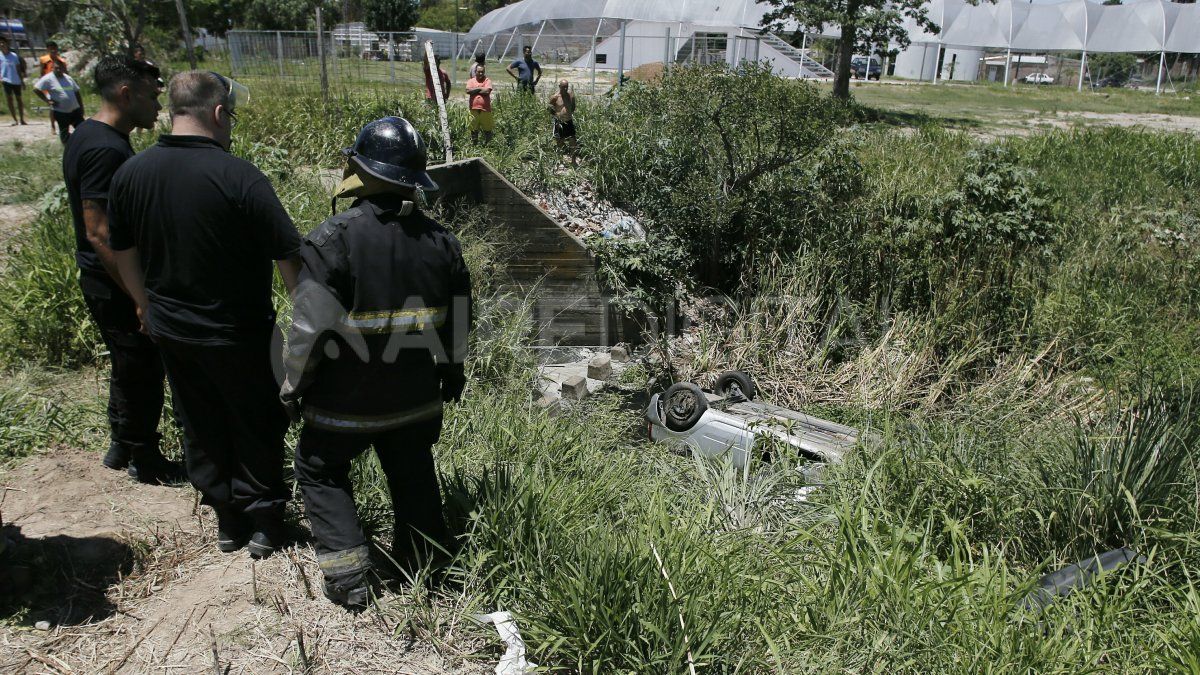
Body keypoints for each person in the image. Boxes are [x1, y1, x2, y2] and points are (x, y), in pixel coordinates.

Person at [108, 71, 303, 559]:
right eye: (230, 117)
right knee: (255, 419)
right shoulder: (239, 176)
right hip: (238, 333)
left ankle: (227, 519)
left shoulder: (131, 173)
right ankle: (264, 522)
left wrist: (143, 303)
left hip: (172, 330)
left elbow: (122, 250)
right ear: (218, 114)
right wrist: (307, 320)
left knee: (199, 421)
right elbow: (288, 256)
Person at [280, 117, 472, 609]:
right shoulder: (443, 243)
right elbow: (458, 326)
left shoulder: (332, 241)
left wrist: (293, 388)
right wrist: (451, 375)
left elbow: (309, 333)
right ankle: (426, 563)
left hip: (344, 405)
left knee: (319, 468)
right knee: (412, 468)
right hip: (416, 402)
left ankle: (350, 580)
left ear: (361, 171)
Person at [62, 54, 181, 483]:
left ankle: (121, 445)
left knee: (127, 361)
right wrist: (139, 296)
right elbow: (98, 230)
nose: (158, 106)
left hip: (103, 277)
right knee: (142, 366)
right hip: (111, 279)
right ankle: (144, 457)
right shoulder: (105, 148)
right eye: (151, 96)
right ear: (126, 94)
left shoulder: (89, 134)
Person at [34, 60, 84, 143]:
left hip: (75, 110)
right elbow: (36, 89)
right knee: (64, 133)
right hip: (61, 112)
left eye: (60, 68)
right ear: (52, 68)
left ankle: (81, 145)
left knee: (83, 130)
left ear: (64, 68)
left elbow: (76, 92)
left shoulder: (68, 78)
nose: (58, 70)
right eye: (56, 68)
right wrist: (47, 100)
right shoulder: (48, 78)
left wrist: (81, 107)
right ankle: (67, 147)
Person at [547, 78, 578, 166]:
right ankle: (560, 161)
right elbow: (549, 108)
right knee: (560, 141)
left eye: (566, 87)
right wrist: (557, 115)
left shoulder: (571, 96)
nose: (565, 89)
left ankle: (573, 161)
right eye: (563, 87)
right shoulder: (555, 97)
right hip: (559, 122)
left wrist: (567, 113)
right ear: (559, 86)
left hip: (569, 121)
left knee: (573, 140)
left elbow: (573, 107)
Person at [465, 63, 494, 145]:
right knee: (474, 131)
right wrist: (480, 88)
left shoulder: (487, 81)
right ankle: (474, 147)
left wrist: (475, 90)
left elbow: (487, 91)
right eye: (479, 72)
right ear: (475, 72)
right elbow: (468, 91)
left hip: (485, 110)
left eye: (482, 72)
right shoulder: (471, 81)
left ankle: (488, 147)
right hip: (473, 110)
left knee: (488, 131)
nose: (481, 73)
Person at [1, 36, 26, 126]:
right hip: (5, 80)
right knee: (9, 99)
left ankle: (22, 119)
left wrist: (22, 81)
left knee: (19, 99)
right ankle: (14, 119)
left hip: (16, 80)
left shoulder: (14, 56)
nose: (1, 44)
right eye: (0, 43)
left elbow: (18, 69)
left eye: (3, 42)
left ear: (7, 44)